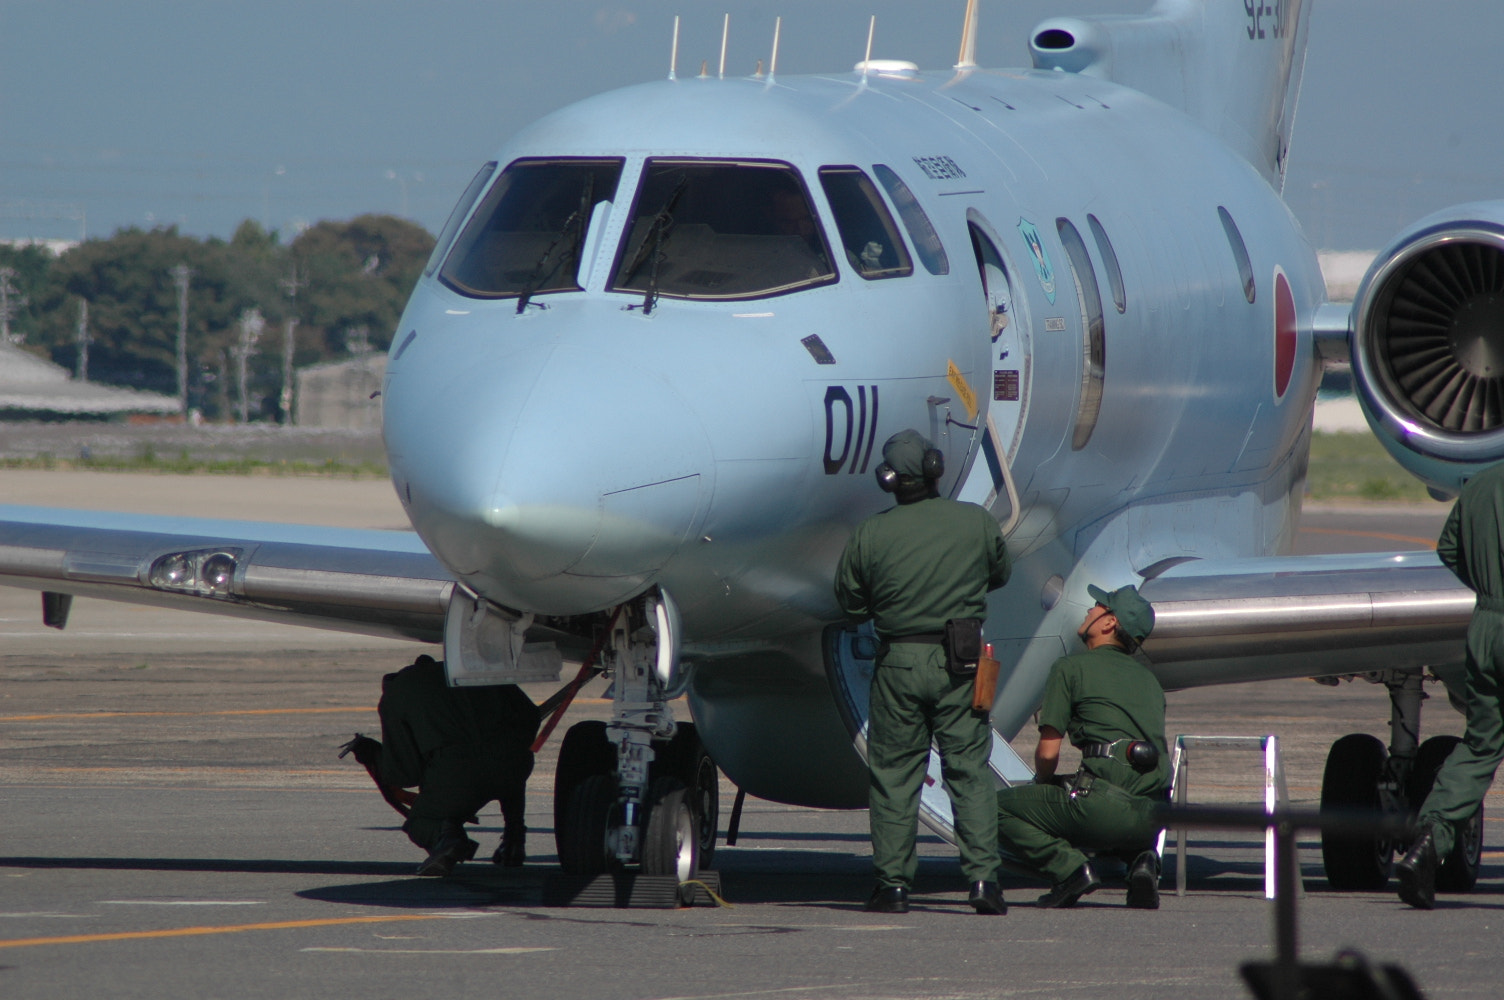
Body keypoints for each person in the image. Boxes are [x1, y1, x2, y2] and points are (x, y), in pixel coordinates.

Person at [834, 428, 1012, 915]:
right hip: (961, 661)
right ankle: (983, 882)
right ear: (935, 468)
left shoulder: (871, 533)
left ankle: (892, 886)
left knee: (894, 774)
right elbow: (1000, 573)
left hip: (899, 663)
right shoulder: (974, 523)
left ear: (889, 481)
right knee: (969, 770)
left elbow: (848, 600)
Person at [994, 584, 1168, 909]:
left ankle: (1070, 870)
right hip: (1154, 814)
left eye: (1098, 606)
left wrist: (1043, 786)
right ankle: (1142, 859)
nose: (1089, 610)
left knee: (991, 809)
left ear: (1108, 623)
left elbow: (1048, 753)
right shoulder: (1150, 681)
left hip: (1102, 808)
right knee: (1114, 798)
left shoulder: (1070, 668)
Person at [1397, 461, 1504, 909]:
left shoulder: (1480, 484)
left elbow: (1448, 549)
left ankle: (1427, 843)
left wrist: (1489, 590)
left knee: (1481, 746)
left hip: (1488, 628)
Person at [342, 654, 541, 877]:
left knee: (420, 822)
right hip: (515, 763)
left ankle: (448, 838)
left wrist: (373, 755)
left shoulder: (397, 694)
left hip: (457, 774)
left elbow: (404, 774)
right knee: (507, 767)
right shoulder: (473, 671)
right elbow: (530, 715)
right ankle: (515, 838)